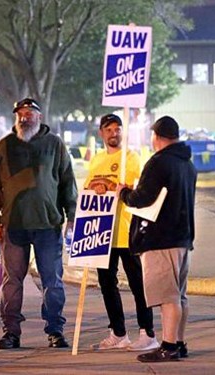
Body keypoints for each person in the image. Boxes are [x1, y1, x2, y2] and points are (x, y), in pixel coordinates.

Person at [0, 98, 77, 350]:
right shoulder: (4, 145)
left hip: (48, 225)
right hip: (13, 225)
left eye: (30, 113)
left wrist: (72, 216)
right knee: (11, 282)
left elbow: (67, 182)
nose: (25, 117)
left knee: (53, 281)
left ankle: (55, 330)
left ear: (39, 116)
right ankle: (11, 332)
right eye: (20, 113)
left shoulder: (54, 144)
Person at [116, 115, 197, 362]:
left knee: (167, 296)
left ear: (157, 137)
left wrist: (125, 194)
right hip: (182, 237)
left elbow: (143, 198)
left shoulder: (159, 163)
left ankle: (169, 346)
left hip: (161, 238)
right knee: (179, 294)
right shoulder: (187, 164)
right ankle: (179, 342)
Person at [85, 114, 158, 352]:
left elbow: (129, 187)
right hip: (102, 233)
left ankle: (147, 333)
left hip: (127, 231)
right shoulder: (95, 160)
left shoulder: (131, 158)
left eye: (118, 128)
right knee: (107, 284)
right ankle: (118, 333)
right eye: (108, 129)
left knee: (138, 284)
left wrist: (105, 187)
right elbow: (88, 189)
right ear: (101, 133)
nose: (114, 133)